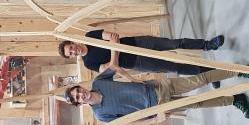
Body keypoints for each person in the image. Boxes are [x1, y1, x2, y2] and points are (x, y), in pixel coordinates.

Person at [64, 68, 249, 123]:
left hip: (156, 88)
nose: (82, 94)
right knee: (198, 104)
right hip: (156, 108)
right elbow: (130, 122)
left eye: (79, 91)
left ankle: (238, 71)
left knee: (199, 81)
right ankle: (234, 100)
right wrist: (156, 119)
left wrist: (136, 79)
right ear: (79, 104)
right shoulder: (101, 115)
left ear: (81, 87)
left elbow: (115, 68)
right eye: (78, 98)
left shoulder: (99, 82)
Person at [58, 29, 224, 75]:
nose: (74, 51)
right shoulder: (88, 63)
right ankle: (209, 74)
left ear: (73, 43)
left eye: (71, 48)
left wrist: (113, 55)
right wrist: (114, 51)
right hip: (137, 62)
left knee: (174, 43)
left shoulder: (90, 37)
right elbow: (111, 68)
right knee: (174, 68)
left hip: (138, 43)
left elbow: (113, 36)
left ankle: (208, 45)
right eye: (71, 53)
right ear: (73, 57)